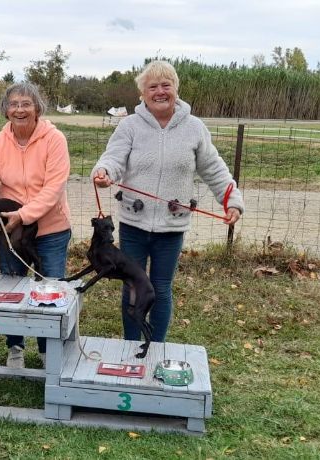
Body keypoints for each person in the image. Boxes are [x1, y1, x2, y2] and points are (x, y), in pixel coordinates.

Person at [91, 60, 244, 344]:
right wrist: (104, 172)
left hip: (172, 228)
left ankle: (157, 347)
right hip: (133, 225)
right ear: (142, 94)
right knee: (133, 287)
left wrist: (231, 200)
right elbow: (113, 157)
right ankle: (131, 345)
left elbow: (214, 168)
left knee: (160, 288)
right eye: (153, 87)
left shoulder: (195, 128)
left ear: (176, 88)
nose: (160, 92)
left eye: (166, 85)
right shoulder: (130, 126)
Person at [0, 82, 71, 369]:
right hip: (10, 230)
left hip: (51, 229)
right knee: (11, 287)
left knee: (50, 289)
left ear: (37, 108)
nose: (20, 109)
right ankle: (15, 347)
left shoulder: (54, 139)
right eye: (14, 104)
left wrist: (24, 214)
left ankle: (49, 349)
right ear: (5, 109)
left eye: (26, 103)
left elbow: (53, 187)